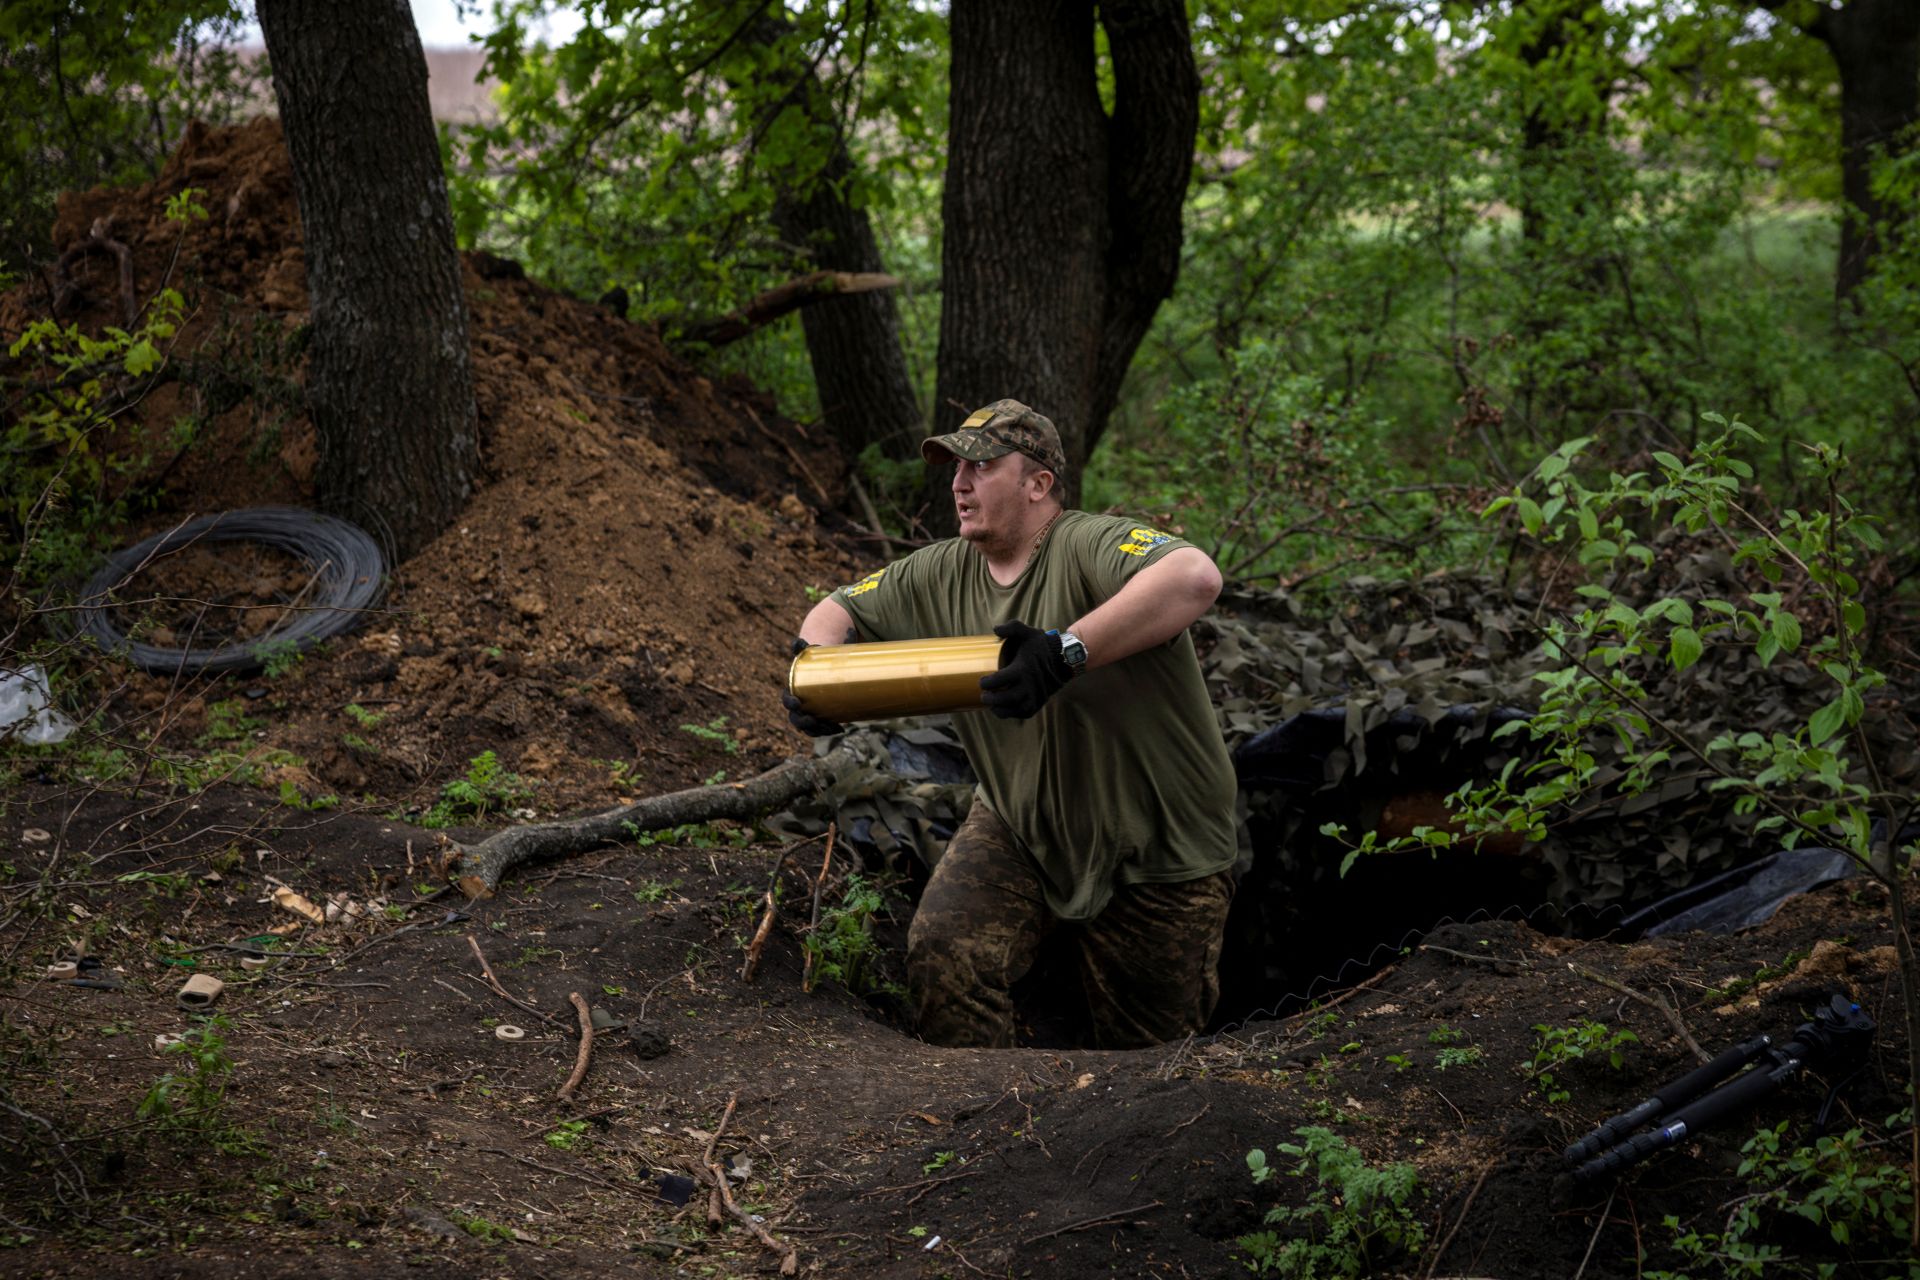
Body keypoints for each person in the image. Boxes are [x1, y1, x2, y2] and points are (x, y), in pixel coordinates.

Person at [784, 398, 1238, 1049]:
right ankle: (992, 1123)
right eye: (954, 469)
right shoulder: (938, 570)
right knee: (945, 956)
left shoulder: (1088, 542)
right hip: (1022, 820)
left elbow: (1194, 576)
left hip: (1159, 844)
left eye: (981, 466)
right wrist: (814, 667)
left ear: (1038, 484)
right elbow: (838, 608)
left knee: (1149, 1062)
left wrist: (1063, 653)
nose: (959, 484)